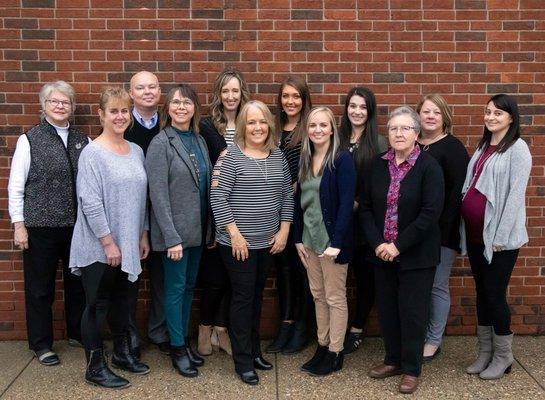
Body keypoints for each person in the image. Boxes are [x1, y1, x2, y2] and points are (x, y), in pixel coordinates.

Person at [69, 86, 150, 389]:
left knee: (123, 304)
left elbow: (142, 199)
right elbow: (89, 201)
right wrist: (107, 242)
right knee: (97, 306)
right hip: (98, 246)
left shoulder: (136, 151)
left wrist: (143, 234)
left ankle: (122, 354)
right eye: (113, 111)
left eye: (124, 111)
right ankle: (95, 367)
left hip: (130, 243)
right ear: (101, 115)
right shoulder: (92, 153)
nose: (119, 116)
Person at [210, 100, 293, 385]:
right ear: (243, 126)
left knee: (257, 297)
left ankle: (255, 352)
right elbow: (218, 197)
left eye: (262, 122)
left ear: (269, 125)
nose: (257, 127)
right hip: (238, 244)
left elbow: (287, 195)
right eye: (252, 122)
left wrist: (284, 230)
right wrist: (235, 235)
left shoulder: (277, 155)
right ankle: (243, 361)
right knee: (243, 299)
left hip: (267, 242)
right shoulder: (230, 156)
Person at [362, 106, 444, 394]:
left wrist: (397, 246)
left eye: (405, 128)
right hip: (381, 254)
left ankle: (411, 369)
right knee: (387, 310)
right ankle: (393, 360)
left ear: (416, 134)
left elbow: (430, 214)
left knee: (412, 313)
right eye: (394, 128)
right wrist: (378, 244)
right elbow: (366, 208)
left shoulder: (429, 167)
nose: (398, 133)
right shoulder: (376, 165)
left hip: (416, 255)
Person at [8, 81, 89, 366]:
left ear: (72, 107)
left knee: (78, 283)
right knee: (40, 288)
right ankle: (41, 344)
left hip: (76, 227)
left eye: (65, 102)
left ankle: (78, 333)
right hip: (40, 227)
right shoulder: (29, 139)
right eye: (54, 101)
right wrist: (19, 225)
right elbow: (16, 186)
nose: (59, 106)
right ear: (43, 106)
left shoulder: (83, 140)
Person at [461, 94, 531, 380]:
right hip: (476, 235)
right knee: (482, 293)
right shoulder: (483, 146)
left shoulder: (518, 149)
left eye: (498, 113)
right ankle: (485, 352)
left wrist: (500, 237)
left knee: (494, 294)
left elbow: (515, 196)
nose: (490, 117)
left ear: (511, 118)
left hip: (500, 240)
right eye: (488, 112)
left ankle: (504, 356)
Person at [146, 84, 213, 378]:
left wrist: (210, 230)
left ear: (194, 107)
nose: (181, 107)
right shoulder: (161, 143)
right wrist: (171, 237)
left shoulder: (199, 140)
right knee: (174, 291)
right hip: (175, 236)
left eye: (186, 102)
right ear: (168, 108)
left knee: (188, 289)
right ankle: (176, 349)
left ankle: (183, 342)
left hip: (198, 232)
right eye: (175, 102)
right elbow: (158, 196)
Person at [294, 107, 356, 376]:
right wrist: (298, 239)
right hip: (310, 241)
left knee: (334, 297)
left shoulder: (341, 160)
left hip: (332, 243)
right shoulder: (305, 159)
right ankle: (322, 345)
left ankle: (335, 351)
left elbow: (346, 205)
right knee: (318, 296)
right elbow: (299, 203)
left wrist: (337, 242)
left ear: (332, 129)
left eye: (323, 125)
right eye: (312, 125)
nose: (317, 130)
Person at [197, 67, 250, 357]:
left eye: (235, 90)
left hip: (245, 209)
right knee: (215, 277)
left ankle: (221, 329)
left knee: (236, 277)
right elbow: (220, 162)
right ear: (218, 94)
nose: (230, 96)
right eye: (225, 91)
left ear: (242, 93)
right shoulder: (207, 125)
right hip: (217, 208)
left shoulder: (250, 121)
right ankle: (204, 328)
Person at [416, 94, 470, 361]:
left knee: (436, 285)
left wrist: (439, 231)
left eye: (436, 112)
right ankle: (418, 334)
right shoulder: (412, 143)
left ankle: (433, 340)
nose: (430, 116)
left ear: (444, 117)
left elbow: (457, 196)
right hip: (413, 232)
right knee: (418, 286)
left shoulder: (453, 148)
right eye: (426, 111)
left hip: (441, 233)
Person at [266, 76, 314, 355]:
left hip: (304, 209)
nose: (290, 101)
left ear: (304, 100)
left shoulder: (310, 128)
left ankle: (302, 328)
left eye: (296, 96)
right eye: (286, 96)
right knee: (283, 269)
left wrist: (295, 185)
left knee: (303, 269)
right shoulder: (273, 128)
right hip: (276, 210)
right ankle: (286, 324)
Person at [339, 87, 388, 354]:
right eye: (352, 106)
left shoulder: (379, 143)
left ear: (370, 112)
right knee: (336, 279)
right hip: (338, 221)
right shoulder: (336, 138)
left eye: (362, 107)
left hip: (366, 222)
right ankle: (333, 329)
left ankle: (357, 328)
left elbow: (382, 184)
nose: (357, 111)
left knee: (365, 278)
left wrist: (358, 202)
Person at [124, 70, 169, 357]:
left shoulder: (168, 123)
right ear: (131, 94)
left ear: (159, 91)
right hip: (130, 213)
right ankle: (128, 337)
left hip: (162, 213)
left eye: (152, 87)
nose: (147, 92)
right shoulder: (123, 124)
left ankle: (160, 332)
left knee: (163, 278)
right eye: (141, 88)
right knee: (129, 278)